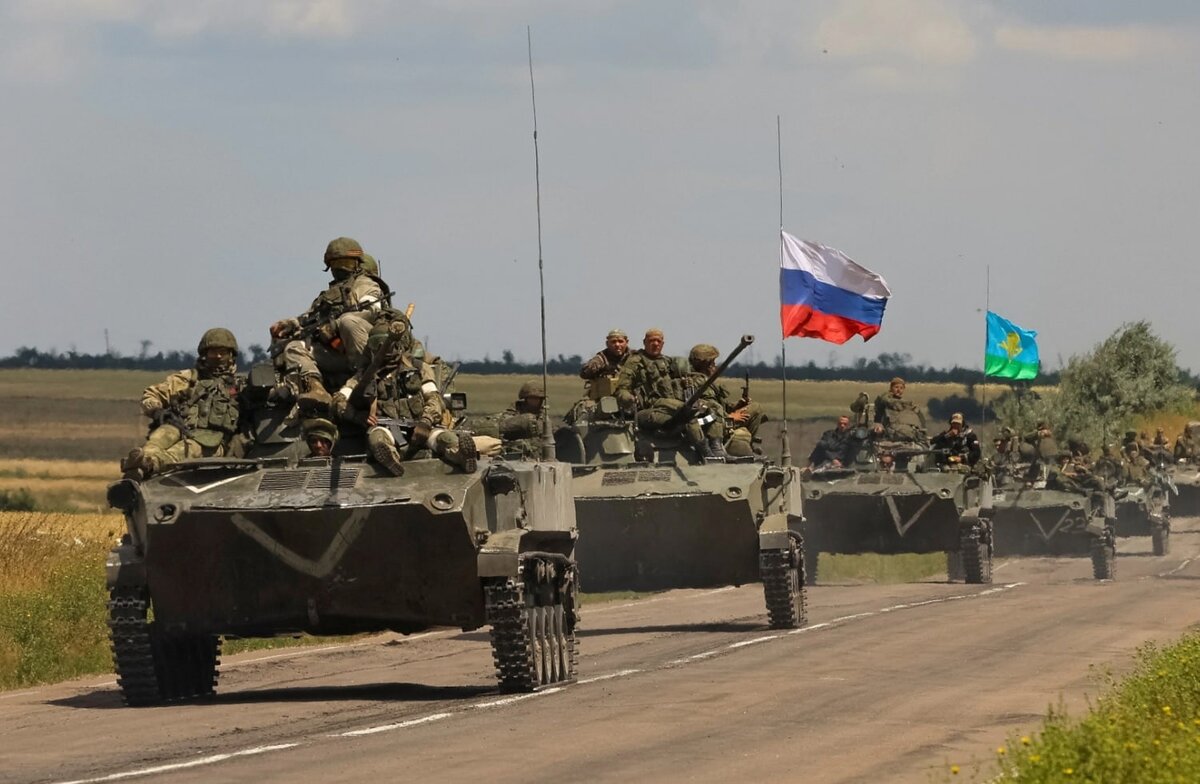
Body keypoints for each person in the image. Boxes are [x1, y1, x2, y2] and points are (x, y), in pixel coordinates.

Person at [331, 321, 477, 474]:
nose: (384, 350)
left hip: (420, 425)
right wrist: (356, 416)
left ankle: (461, 454)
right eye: (376, 344)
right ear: (371, 348)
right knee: (378, 438)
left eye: (387, 344)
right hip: (385, 427)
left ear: (399, 345)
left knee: (444, 438)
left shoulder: (419, 369)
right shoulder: (363, 377)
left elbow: (434, 398)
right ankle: (390, 459)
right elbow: (338, 401)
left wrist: (426, 421)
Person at [269, 237, 388, 413]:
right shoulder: (327, 296)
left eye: (346, 263)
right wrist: (292, 324)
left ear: (357, 264)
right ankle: (316, 389)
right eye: (336, 263)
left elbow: (371, 310)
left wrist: (335, 324)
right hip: (336, 354)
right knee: (294, 347)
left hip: (366, 353)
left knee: (349, 322)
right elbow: (309, 318)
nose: (341, 268)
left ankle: (363, 375)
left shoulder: (366, 285)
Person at [121, 328, 247, 479]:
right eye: (213, 352)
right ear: (204, 354)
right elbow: (151, 394)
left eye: (223, 352)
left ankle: (148, 465)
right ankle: (137, 464)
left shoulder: (241, 386)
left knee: (183, 450)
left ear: (231, 355)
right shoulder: (188, 379)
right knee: (157, 440)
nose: (218, 356)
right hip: (179, 427)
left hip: (212, 441)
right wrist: (156, 410)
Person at [616, 329, 721, 458]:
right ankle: (706, 452)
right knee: (687, 411)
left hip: (671, 406)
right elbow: (622, 387)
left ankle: (717, 448)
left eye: (658, 341)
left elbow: (683, 377)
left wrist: (686, 382)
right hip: (650, 407)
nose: (655, 344)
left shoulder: (667, 361)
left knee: (713, 407)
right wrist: (627, 397)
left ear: (662, 344)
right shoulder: (635, 362)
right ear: (644, 342)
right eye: (651, 341)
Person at [872, 377, 927, 444]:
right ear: (891, 388)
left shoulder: (906, 403)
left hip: (905, 432)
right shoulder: (885, 400)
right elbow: (879, 408)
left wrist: (923, 429)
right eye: (896, 387)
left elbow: (919, 414)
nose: (898, 390)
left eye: (901, 388)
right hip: (889, 432)